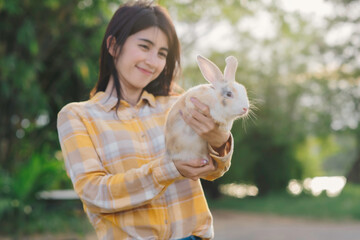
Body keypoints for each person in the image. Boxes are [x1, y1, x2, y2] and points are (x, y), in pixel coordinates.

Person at [57, 1, 233, 239]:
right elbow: (94, 194)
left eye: (162, 54)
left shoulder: (177, 105)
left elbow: (213, 170)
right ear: (114, 46)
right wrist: (167, 170)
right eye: (144, 46)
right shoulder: (77, 116)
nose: (153, 61)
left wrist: (219, 140)